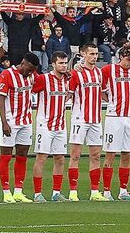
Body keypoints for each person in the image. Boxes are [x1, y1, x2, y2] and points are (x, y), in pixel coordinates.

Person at [65, 45, 108, 201]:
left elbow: (103, 94)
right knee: (75, 155)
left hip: (96, 119)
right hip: (80, 118)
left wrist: (114, 102)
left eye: (96, 54)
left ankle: (95, 192)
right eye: (91, 54)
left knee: (96, 156)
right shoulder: (76, 73)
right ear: (83, 54)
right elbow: (69, 94)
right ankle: (73, 192)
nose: (94, 57)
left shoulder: (99, 73)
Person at [29, 54, 72, 202]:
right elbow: (30, 90)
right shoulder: (44, 79)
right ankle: (37, 194)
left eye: (65, 63)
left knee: (60, 158)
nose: (64, 66)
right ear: (53, 64)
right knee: (41, 158)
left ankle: (56, 193)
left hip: (60, 125)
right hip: (45, 124)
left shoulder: (67, 80)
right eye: (60, 63)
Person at [102, 45, 130, 200]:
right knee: (110, 154)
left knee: (127, 154)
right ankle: (106, 191)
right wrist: (111, 101)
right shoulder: (108, 70)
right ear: (121, 56)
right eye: (128, 60)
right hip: (114, 117)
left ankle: (123, 191)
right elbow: (99, 89)